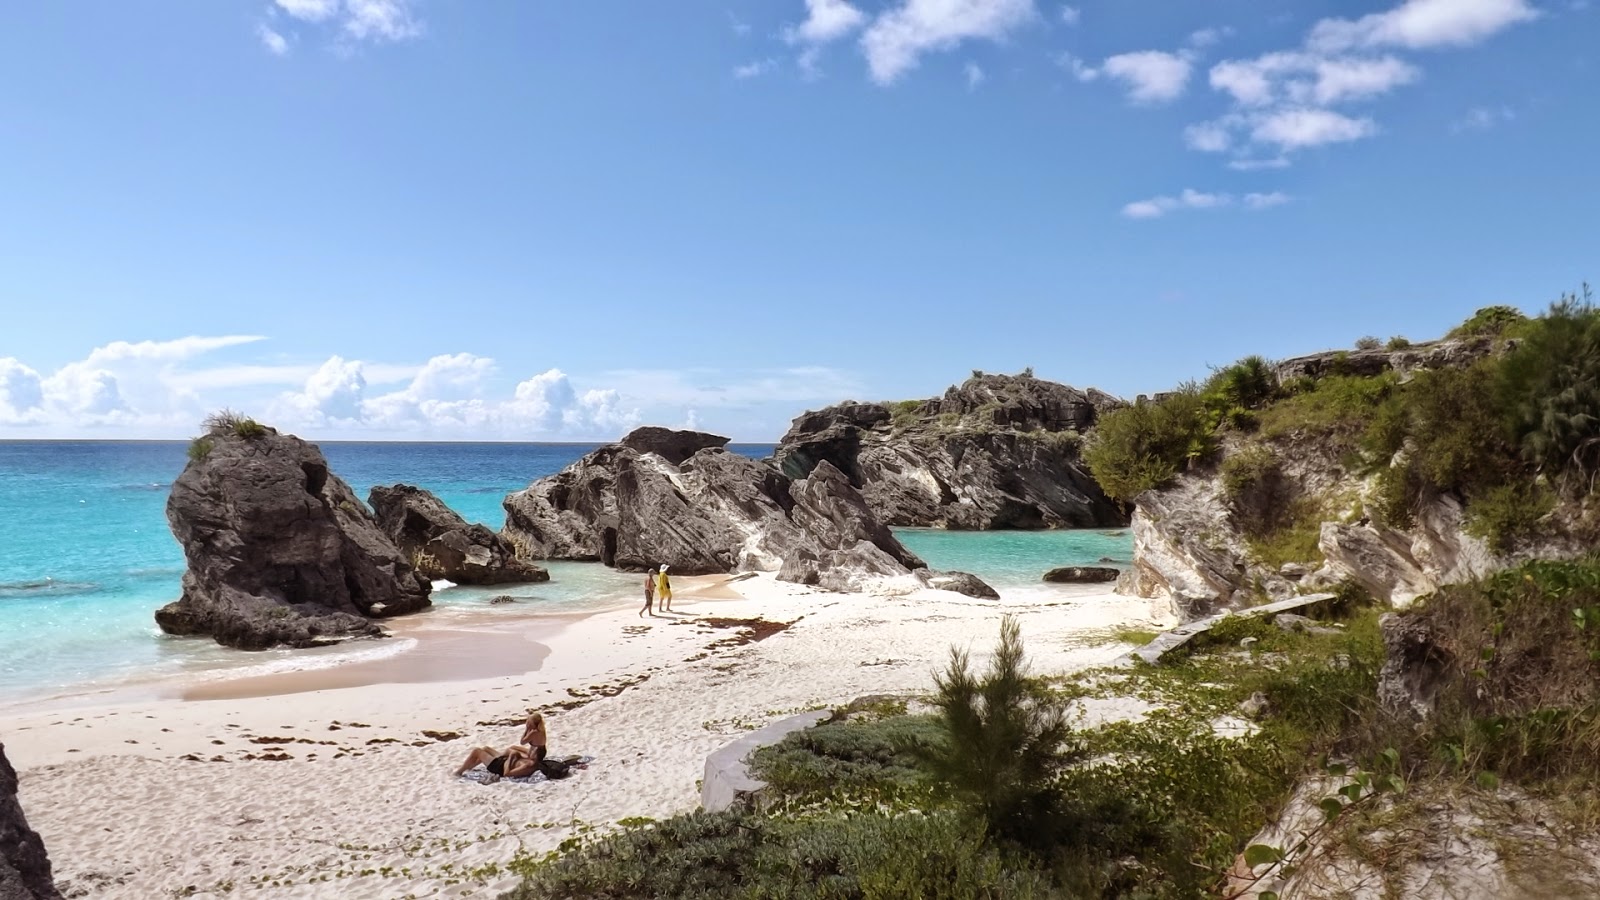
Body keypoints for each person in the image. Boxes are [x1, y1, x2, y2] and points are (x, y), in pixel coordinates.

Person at [454, 743, 540, 780]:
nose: (530, 751)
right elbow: (514, 747)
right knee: (485, 748)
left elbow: (506, 773)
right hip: (503, 762)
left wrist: (511, 758)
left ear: (536, 756)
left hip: (498, 767)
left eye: (532, 751)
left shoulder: (527, 766)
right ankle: (468, 766)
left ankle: (459, 771)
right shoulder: (530, 759)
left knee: (477, 751)